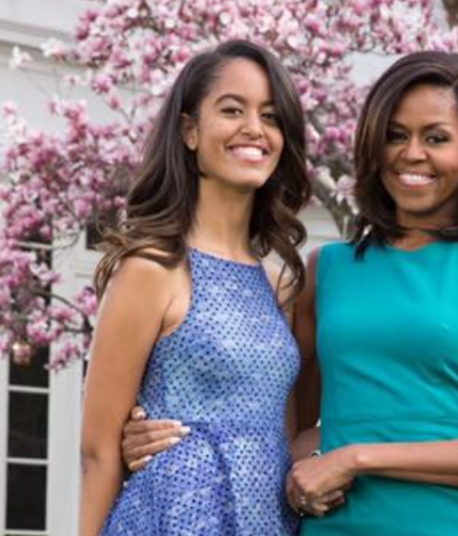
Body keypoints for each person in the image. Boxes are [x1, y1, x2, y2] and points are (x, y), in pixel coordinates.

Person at [284, 50, 458, 536]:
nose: (411, 153)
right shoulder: (326, 270)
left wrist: (356, 457)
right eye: (395, 135)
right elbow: (288, 426)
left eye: (436, 138)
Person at [79, 40, 310, 536]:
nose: (254, 129)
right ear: (189, 130)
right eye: (232, 110)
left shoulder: (281, 289)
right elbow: (99, 452)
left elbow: (287, 435)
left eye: (271, 117)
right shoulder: (152, 269)